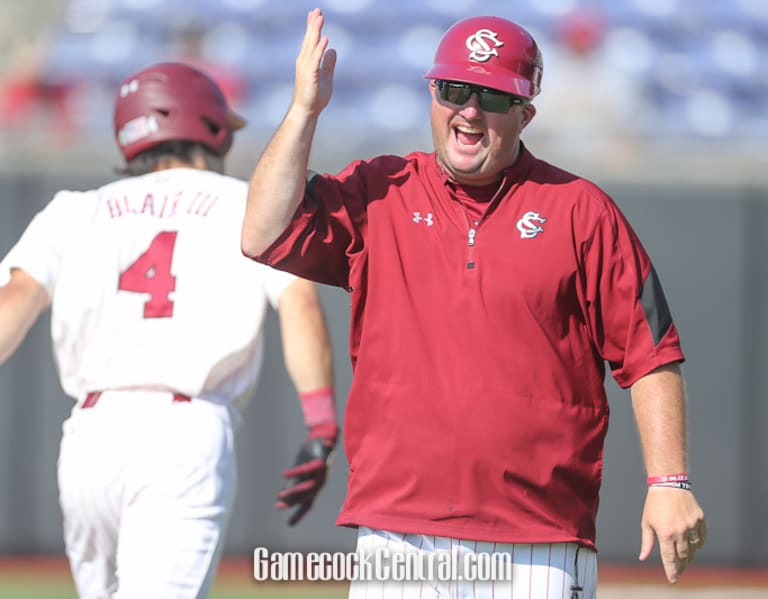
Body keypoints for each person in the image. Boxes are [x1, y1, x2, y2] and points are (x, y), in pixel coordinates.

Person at [241, 8, 707, 599]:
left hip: (537, 538)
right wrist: (305, 110)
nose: (468, 109)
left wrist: (669, 481)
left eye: (490, 96)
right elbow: (261, 233)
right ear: (433, 94)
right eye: (453, 89)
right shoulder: (378, 191)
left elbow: (650, 355)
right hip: (398, 533)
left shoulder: (581, 210)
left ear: (524, 113)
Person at [0, 61, 339, 599]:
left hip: (89, 434)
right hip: (185, 431)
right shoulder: (246, 205)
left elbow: (12, 304)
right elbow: (299, 301)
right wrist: (321, 425)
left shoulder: (74, 209)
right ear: (207, 127)